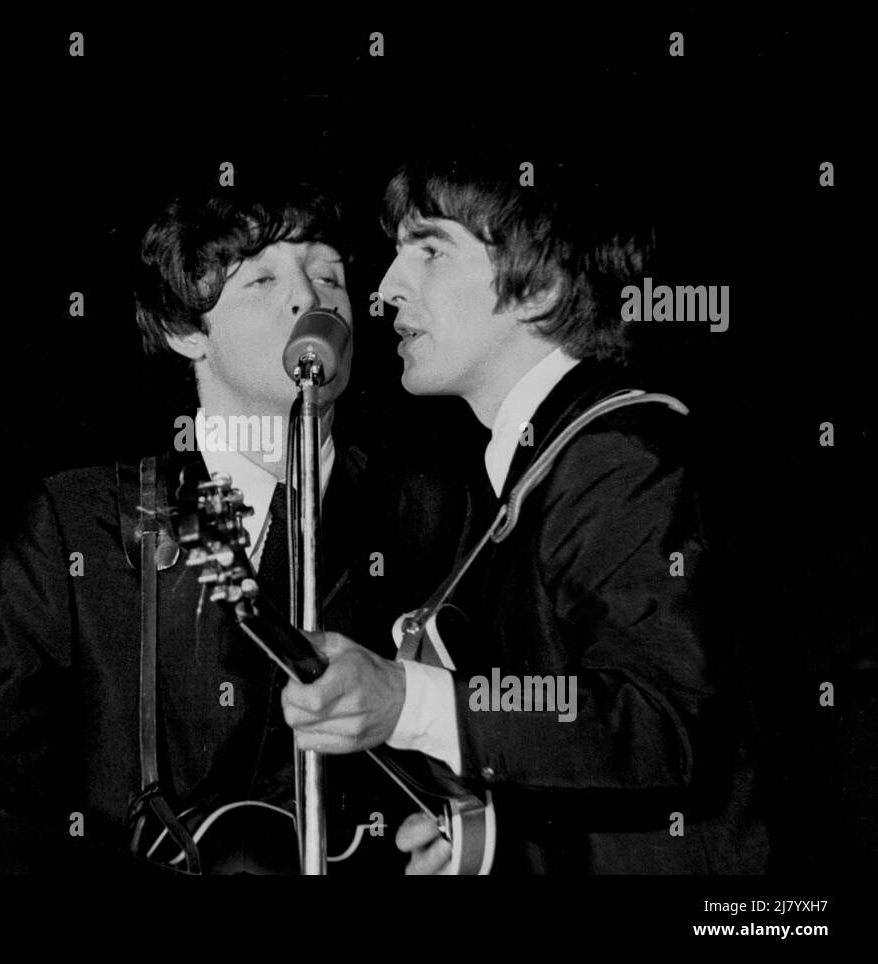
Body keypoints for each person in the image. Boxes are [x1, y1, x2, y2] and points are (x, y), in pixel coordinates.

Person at [281, 158, 770, 874]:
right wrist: (493, 844)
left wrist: (409, 700)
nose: (384, 290)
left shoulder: (617, 457)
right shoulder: (535, 468)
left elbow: (663, 725)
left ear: (537, 286)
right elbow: (595, 765)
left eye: (430, 249)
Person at [0, 179, 413, 874]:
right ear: (184, 329)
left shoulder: (434, 512)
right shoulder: (77, 521)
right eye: (260, 280)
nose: (310, 298)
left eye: (328, 273)